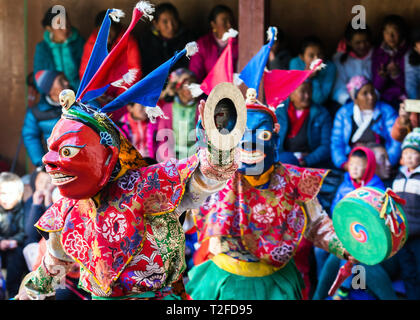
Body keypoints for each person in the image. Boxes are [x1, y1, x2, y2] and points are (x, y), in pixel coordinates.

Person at [185, 90, 356, 300]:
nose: (249, 142)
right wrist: (206, 136)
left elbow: (317, 224)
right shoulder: (220, 176)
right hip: (227, 281)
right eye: (240, 134)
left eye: (262, 134)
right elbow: (196, 182)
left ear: (275, 140)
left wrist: (345, 247)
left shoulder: (293, 182)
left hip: (276, 282)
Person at [313, 147, 398, 300]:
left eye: (358, 166)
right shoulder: (345, 183)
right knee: (330, 251)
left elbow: (378, 223)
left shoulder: (377, 189)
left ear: (369, 167)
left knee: (350, 254)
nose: (354, 169)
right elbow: (336, 210)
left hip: (371, 243)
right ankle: (324, 293)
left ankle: (342, 290)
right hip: (345, 233)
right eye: (351, 165)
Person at [79, 10, 142, 120]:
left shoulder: (128, 41)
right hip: (100, 94)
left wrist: (120, 96)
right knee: (91, 112)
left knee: (125, 114)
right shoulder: (91, 44)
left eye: (109, 30)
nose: (106, 35)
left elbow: (135, 71)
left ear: (116, 27)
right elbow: (85, 72)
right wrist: (96, 92)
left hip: (122, 92)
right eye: (102, 31)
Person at [331, 75, 400, 170]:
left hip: (380, 164)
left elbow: (396, 141)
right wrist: (344, 164)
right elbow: (336, 143)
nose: (371, 97)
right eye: (365, 94)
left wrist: (387, 163)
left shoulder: (387, 111)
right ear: (355, 98)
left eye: (372, 92)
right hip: (354, 164)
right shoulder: (344, 113)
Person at [275, 81, 332, 168]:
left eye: (310, 91)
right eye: (302, 92)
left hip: (311, 163)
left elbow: (326, 145)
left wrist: (307, 160)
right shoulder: (279, 112)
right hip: (284, 159)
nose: (307, 96)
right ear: (291, 94)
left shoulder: (321, 114)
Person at [392, 128, 420, 300]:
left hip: (418, 234)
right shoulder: (398, 177)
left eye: (414, 153)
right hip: (403, 234)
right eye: (406, 153)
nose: (409, 157)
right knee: (408, 271)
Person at [22, 70, 71, 167]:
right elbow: (30, 137)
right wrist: (42, 164)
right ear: (50, 89)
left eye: (65, 79)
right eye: (61, 81)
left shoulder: (81, 102)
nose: (66, 82)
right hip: (58, 164)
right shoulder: (36, 113)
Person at [33, 7, 85, 91]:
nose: (65, 29)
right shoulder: (42, 48)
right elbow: (38, 79)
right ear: (49, 28)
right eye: (60, 26)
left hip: (79, 91)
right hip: (53, 93)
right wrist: (54, 90)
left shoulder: (80, 43)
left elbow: (88, 72)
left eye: (67, 24)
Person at [155, 68, 200, 162]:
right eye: (186, 85)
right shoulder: (167, 109)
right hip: (173, 159)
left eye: (193, 84)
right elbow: (163, 139)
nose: (191, 88)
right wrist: (172, 161)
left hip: (195, 158)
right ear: (178, 88)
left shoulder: (200, 107)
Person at [139, 2, 195, 77]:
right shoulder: (146, 41)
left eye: (174, 20)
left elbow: (191, 67)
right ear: (156, 24)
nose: (171, 26)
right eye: (165, 22)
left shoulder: (189, 39)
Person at [188, 4, 238, 83]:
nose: (229, 25)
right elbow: (195, 74)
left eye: (231, 21)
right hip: (209, 92)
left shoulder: (239, 43)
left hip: (234, 91)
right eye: (224, 21)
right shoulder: (202, 44)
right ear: (213, 24)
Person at [371, 15, 409, 109]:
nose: (391, 36)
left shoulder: (408, 53)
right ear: (382, 34)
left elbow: (411, 86)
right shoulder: (378, 53)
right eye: (387, 32)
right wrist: (381, 77)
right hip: (383, 98)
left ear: (401, 32)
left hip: (403, 98)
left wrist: (397, 75)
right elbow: (376, 87)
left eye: (394, 32)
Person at [0, 172, 28, 298]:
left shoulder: (22, 210)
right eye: (2, 194)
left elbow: (24, 231)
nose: (6, 198)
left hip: (14, 247)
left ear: (19, 195)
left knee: (16, 255)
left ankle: (13, 292)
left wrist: (14, 241)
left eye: (10, 194)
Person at [332, 22, 373, 106]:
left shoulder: (376, 55)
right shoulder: (340, 59)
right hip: (349, 102)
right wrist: (351, 102)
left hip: (373, 99)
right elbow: (338, 88)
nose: (363, 46)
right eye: (358, 43)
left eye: (366, 41)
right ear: (349, 42)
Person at [289, 35, 336, 106]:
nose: (316, 59)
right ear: (302, 57)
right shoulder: (295, 63)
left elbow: (320, 100)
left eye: (320, 54)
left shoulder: (330, 67)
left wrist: (313, 77)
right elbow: (296, 97)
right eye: (311, 56)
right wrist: (306, 77)